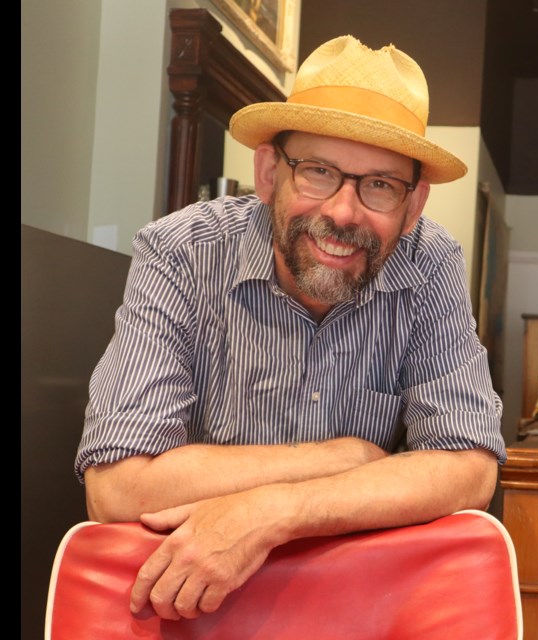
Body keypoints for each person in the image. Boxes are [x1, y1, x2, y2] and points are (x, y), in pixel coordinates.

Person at [74, 35, 506, 621]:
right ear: (269, 172)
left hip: (358, 609)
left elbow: (468, 467)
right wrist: (344, 458)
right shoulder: (181, 253)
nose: (344, 212)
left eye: (380, 184)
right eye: (318, 172)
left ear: (414, 204)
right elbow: (117, 486)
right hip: (193, 610)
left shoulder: (430, 266)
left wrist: (270, 512)